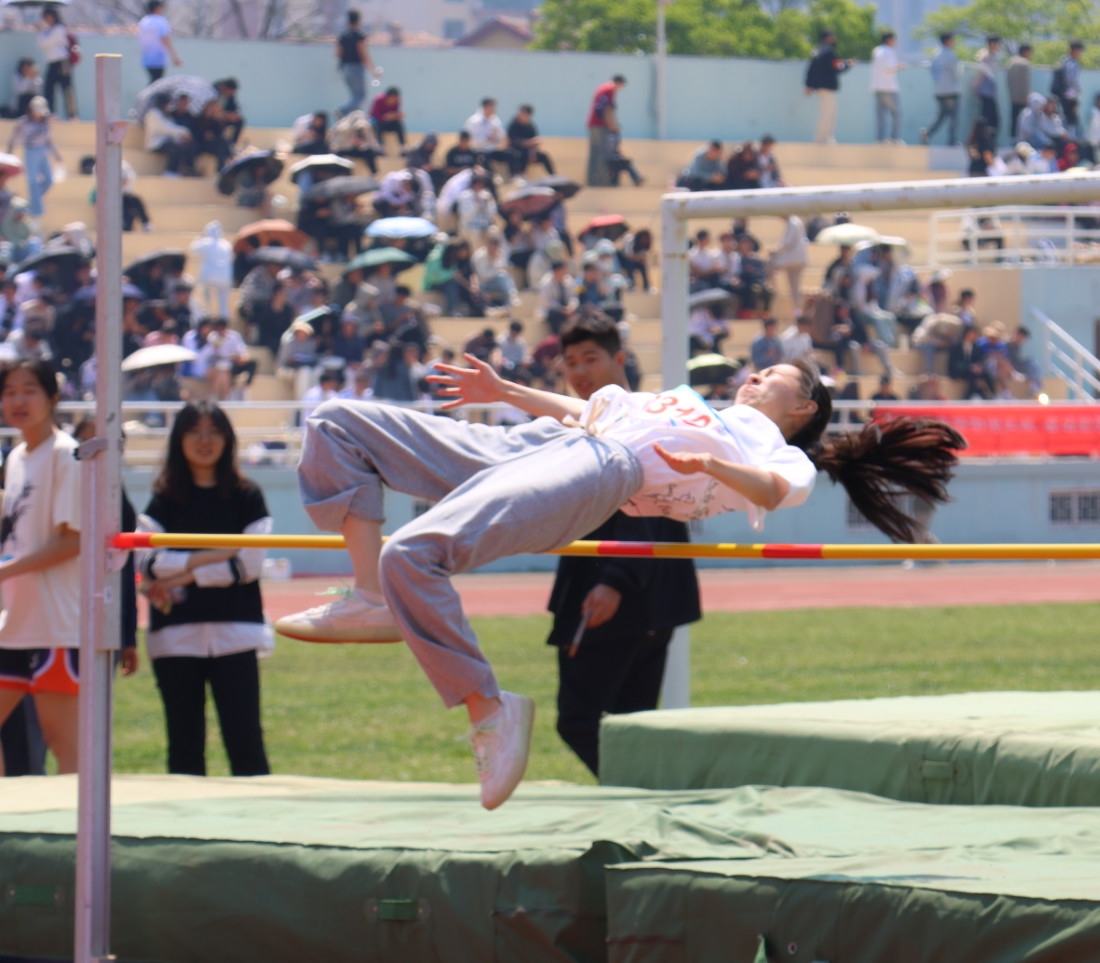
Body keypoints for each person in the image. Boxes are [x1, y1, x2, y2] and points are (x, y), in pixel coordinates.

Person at [275, 356, 962, 808]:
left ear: (805, 407)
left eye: (774, 374)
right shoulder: (689, 404)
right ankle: (372, 598)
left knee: (414, 554)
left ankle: (488, 705)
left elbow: (772, 490)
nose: (754, 373)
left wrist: (712, 467)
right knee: (336, 424)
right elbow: (587, 412)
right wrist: (503, 392)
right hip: (552, 446)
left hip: (601, 471)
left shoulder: (775, 450)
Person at [543, 313, 702, 775]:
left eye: (590, 358)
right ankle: (644, 799)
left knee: (580, 720)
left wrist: (616, 579)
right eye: (570, 361)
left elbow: (645, 501)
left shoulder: (635, 418)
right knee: (632, 724)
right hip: (645, 592)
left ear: (619, 359)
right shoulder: (595, 420)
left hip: (619, 590)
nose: (578, 371)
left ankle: (646, 795)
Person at [137, 403, 273, 777]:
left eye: (213, 432)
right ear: (178, 440)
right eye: (194, 432)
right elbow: (147, 563)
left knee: (246, 745)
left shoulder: (248, 495)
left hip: (236, 634)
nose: (204, 440)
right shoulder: (163, 499)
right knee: (184, 748)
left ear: (227, 440)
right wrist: (215, 554)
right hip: (175, 639)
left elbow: (248, 566)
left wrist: (182, 575)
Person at [0, 361, 85, 774]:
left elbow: (74, 540)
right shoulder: (17, 457)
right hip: (14, 621)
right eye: (9, 391)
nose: (18, 400)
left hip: (55, 624)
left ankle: (83, 817)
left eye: (29, 389)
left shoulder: (66, 454)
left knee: (62, 740)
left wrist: (6, 571)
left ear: (53, 397)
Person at [7, 97, 61, 217]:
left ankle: (31, 203)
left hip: (43, 151)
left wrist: (56, 154)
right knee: (33, 182)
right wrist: (9, 152)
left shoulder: (45, 124)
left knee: (49, 180)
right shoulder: (23, 122)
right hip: (30, 151)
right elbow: (13, 138)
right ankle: (36, 212)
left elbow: (49, 141)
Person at [805, 29, 852, 144]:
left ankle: (821, 138)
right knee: (829, 113)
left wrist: (809, 85)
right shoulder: (829, 53)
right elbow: (838, 67)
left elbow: (811, 70)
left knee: (825, 113)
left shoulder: (817, 52)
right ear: (827, 38)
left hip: (820, 88)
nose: (834, 39)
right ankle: (825, 138)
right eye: (832, 37)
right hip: (828, 88)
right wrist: (848, 64)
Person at [586, 75, 628, 186]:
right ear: (619, 83)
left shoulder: (602, 88)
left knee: (594, 154)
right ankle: (600, 181)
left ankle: (592, 180)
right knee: (602, 154)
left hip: (593, 124)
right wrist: (612, 126)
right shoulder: (610, 89)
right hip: (601, 126)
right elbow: (607, 109)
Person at [336, 9, 379, 116]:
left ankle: (355, 117)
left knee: (355, 96)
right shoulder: (359, 36)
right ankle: (343, 111)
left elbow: (338, 54)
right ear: (359, 21)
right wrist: (373, 70)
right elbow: (363, 54)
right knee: (361, 95)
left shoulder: (343, 36)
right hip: (356, 67)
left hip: (344, 68)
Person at [920, 33, 960, 146]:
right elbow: (956, 72)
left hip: (939, 90)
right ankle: (952, 140)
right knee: (953, 116)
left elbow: (932, 70)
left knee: (941, 115)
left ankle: (927, 133)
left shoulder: (936, 54)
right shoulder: (950, 55)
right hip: (950, 90)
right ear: (947, 41)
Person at [36, 9, 74, 120]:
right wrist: (42, 32)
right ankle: (51, 113)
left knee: (66, 88)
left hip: (62, 61)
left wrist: (41, 32)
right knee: (49, 88)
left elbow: (47, 42)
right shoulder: (47, 30)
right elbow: (41, 45)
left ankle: (72, 115)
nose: (47, 19)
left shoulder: (59, 28)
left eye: (49, 16)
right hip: (51, 62)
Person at [870, 30, 903, 145]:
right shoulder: (889, 52)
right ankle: (894, 138)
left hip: (877, 87)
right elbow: (888, 68)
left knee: (881, 115)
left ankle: (880, 139)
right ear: (889, 40)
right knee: (897, 113)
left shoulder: (877, 50)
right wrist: (899, 67)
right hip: (888, 88)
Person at [137, 0, 181, 83]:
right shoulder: (160, 21)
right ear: (157, 8)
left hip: (146, 58)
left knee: (153, 81)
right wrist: (174, 57)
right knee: (157, 83)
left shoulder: (144, 21)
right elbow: (165, 38)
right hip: (158, 58)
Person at [465, 98, 508, 173]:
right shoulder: (473, 121)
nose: (493, 110)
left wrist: (496, 137)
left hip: (492, 151)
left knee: (511, 155)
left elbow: (502, 136)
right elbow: (468, 139)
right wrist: (485, 141)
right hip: (479, 151)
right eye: (491, 108)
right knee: (485, 163)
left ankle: (516, 175)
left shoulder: (495, 120)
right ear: (485, 107)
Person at [1050, 40, 1084, 130]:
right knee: (1071, 120)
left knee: (1063, 118)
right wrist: (1077, 89)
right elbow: (1070, 79)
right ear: (1075, 50)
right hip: (1068, 96)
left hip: (1060, 94)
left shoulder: (1063, 61)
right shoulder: (1072, 63)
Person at [974, 36, 1002, 137]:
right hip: (985, 91)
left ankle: (989, 139)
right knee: (988, 118)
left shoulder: (994, 56)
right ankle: (983, 139)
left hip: (990, 91)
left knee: (991, 119)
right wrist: (976, 88)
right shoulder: (986, 57)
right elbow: (980, 73)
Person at [369, 86, 406, 151]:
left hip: (388, 123)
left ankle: (402, 146)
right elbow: (376, 115)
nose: (393, 100)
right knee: (377, 124)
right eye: (392, 98)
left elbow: (395, 113)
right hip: (377, 123)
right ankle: (379, 146)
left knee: (399, 124)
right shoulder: (378, 100)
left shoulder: (397, 102)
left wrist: (397, 116)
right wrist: (387, 116)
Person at [1006, 43, 1033, 121]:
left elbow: (1008, 79)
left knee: (1014, 120)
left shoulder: (1011, 62)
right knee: (1023, 120)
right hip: (1023, 98)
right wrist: (1026, 97)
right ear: (1026, 52)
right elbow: (1025, 82)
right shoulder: (1025, 63)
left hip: (1013, 97)